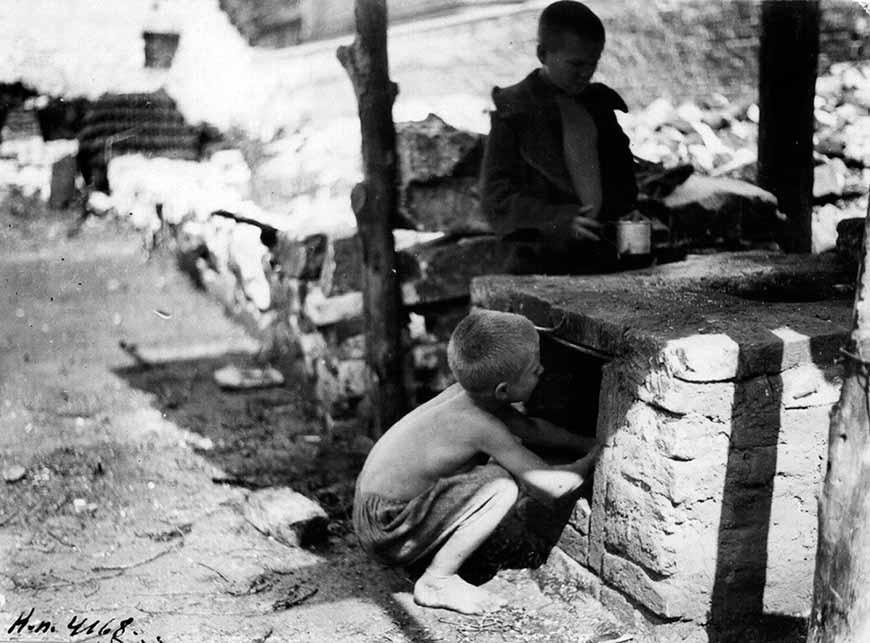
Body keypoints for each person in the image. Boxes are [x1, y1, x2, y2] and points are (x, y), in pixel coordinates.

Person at [353, 309, 600, 615]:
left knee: (491, 474)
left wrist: (585, 441)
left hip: (369, 508)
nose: (543, 370)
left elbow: (532, 428)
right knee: (500, 485)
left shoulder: (467, 394)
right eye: (535, 369)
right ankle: (436, 580)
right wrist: (596, 458)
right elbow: (554, 485)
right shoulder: (480, 425)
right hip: (387, 527)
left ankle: (429, 552)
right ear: (504, 390)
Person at [480, 0, 639, 274]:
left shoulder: (599, 106)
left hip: (604, 259)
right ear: (543, 54)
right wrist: (559, 221)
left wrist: (629, 210)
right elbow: (496, 199)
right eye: (576, 64)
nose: (586, 74)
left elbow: (623, 178)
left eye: (594, 63)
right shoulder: (514, 111)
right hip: (539, 264)